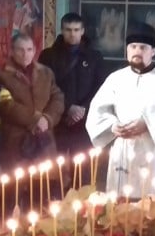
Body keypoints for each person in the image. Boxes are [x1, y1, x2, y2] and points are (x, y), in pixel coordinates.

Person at [86, 23, 155, 197]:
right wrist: (112, 126)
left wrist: (147, 123)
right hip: (124, 152)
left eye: (143, 47)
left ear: (153, 51)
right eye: (133, 46)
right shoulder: (116, 78)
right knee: (122, 206)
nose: (137, 51)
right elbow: (97, 111)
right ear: (127, 49)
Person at [38, 13, 107, 158]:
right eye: (68, 30)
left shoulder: (94, 57)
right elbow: (45, 86)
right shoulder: (48, 56)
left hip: (85, 120)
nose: (72, 34)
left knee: (83, 166)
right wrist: (68, 107)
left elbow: (101, 87)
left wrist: (82, 109)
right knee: (56, 165)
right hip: (58, 120)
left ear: (82, 31)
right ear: (62, 31)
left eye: (76, 30)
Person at [0, 33, 64, 174]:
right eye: (20, 50)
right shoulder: (1, 74)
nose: (25, 54)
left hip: (44, 139)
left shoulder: (46, 72)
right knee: (16, 184)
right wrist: (35, 119)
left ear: (34, 51)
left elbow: (57, 97)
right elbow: (5, 104)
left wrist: (47, 119)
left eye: (29, 49)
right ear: (12, 51)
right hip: (14, 141)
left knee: (44, 183)